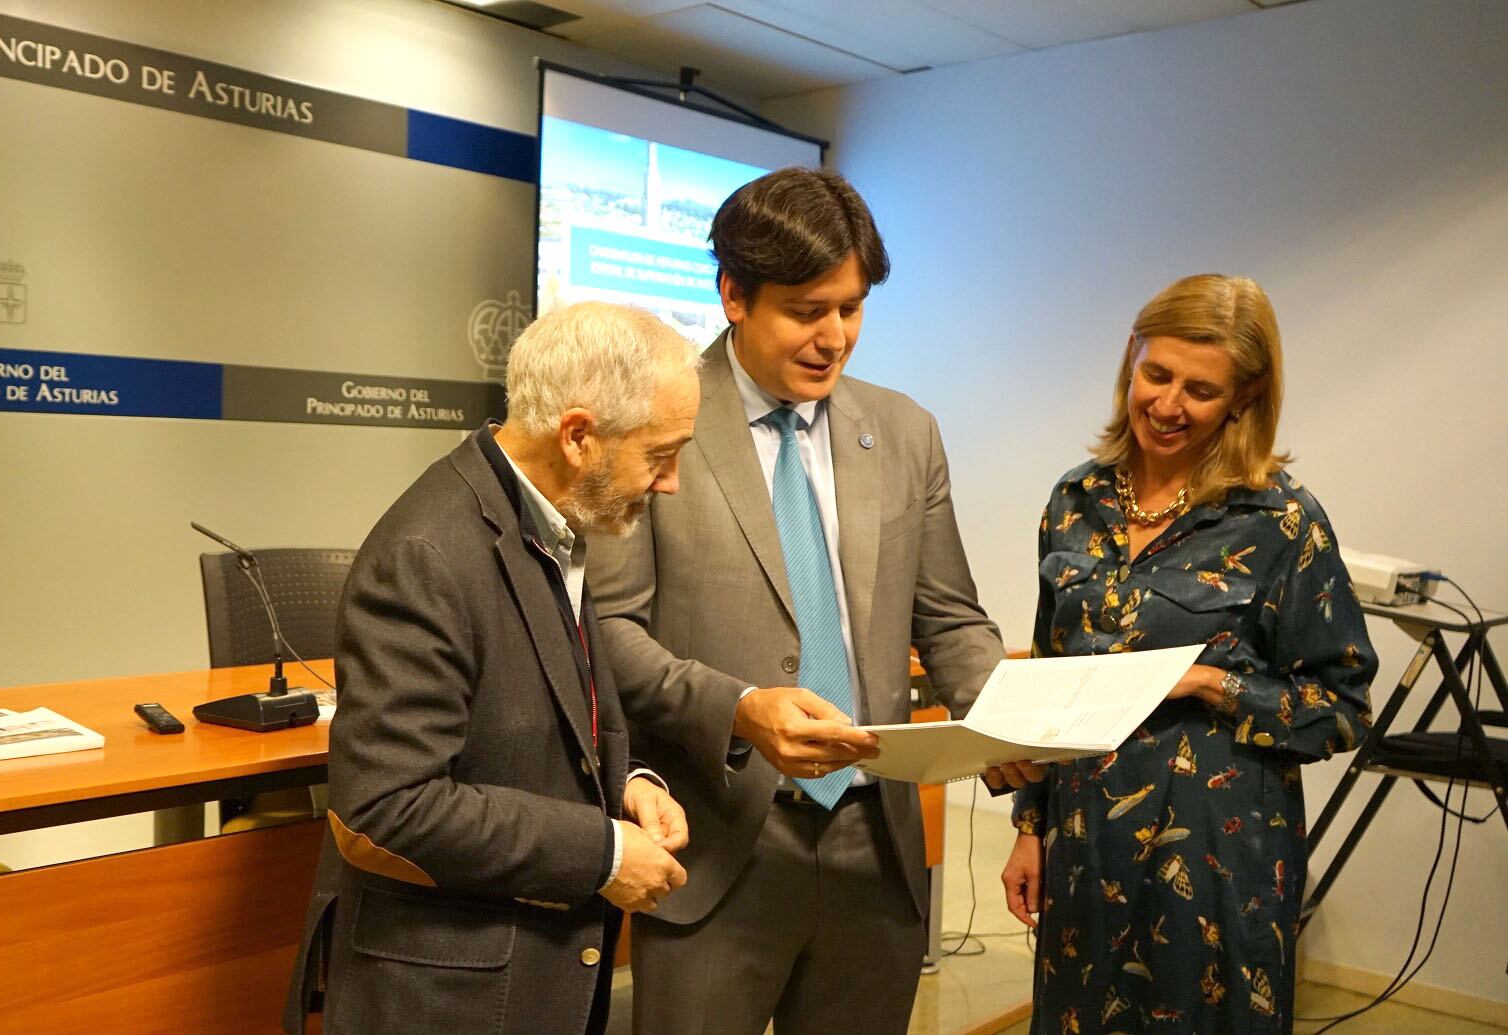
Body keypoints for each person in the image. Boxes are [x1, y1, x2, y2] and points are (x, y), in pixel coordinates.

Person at [586, 167, 1006, 1035]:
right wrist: (738, 708)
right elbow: (608, 630)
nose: (834, 336)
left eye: (850, 308)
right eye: (807, 310)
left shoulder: (904, 432)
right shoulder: (655, 421)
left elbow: (951, 617)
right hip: (716, 845)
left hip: (875, 845)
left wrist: (1009, 721)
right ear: (734, 294)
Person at [283, 301, 701, 1035]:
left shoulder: (550, 520)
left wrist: (628, 783)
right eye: (660, 455)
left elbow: (551, 711)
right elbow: (389, 805)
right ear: (578, 436)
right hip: (448, 998)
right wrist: (603, 852)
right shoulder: (427, 554)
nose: (669, 483)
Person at [999, 274, 1377, 1032]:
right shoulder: (1075, 500)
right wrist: (1028, 826)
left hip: (1215, 863)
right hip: (1083, 850)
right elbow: (1051, 671)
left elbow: (1341, 709)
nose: (1168, 405)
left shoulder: (1282, 521)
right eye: (1156, 374)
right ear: (1129, 359)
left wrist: (1209, 683)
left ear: (1245, 395)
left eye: (1200, 390)